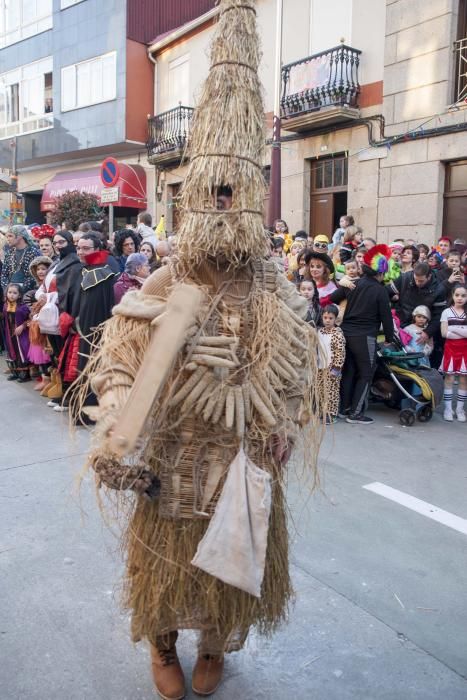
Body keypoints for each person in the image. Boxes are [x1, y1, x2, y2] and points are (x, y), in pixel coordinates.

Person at [74, 3, 322, 697]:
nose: (219, 205)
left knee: (230, 573)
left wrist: (285, 425)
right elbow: (120, 355)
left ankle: (215, 642)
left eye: (232, 194)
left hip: (240, 460)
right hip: (170, 455)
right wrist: (120, 423)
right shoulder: (166, 277)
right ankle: (160, 645)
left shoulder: (274, 289)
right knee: (162, 569)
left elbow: (300, 374)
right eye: (209, 193)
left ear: (252, 196)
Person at [330, 245, 395, 424]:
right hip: (364, 336)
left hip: (345, 334)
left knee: (349, 371)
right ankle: (356, 414)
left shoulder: (353, 283)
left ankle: (343, 409)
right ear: (380, 273)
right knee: (366, 374)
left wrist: (343, 283)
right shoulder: (380, 290)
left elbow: (333, 298)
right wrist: (389, 338)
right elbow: (386, 318)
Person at [388, 261, 446, 343]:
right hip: (400, 322)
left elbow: (439, 315)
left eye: (421, 281)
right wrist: (392, 298)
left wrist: (428, 332)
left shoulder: (439, 289)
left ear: (429, 277)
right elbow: (386, 292)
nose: (417, 283)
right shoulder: (405, 278)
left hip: (421, 329)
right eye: (415, 279)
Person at [440, 284, 467, 422]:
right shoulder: (446, 312)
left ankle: (460, 409)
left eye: (463, 295)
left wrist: (454, 329)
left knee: (464, 380)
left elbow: (450, 331)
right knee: (449, 378)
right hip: (450, 349)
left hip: (465, 351)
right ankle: (448, 409)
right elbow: (444, 333)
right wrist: (463, 331)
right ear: (452, 296)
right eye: (457, 295)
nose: (460, 298)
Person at [317, 304, 346, 423]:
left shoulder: (337, 334)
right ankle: (322, 412)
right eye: (325, 318)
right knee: (320, 391)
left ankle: (331, 414)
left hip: (331, 369)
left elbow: (340, 352)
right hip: (320, 367)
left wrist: (336, 368)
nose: (327, 320)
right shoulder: (320, 332)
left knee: (331, 392)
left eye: (330, 318)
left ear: (335, 319)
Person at [3, 283, 31, 382]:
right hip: (9, 333)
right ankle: (16, 372)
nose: (11, 295)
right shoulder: (6, 305)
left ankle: (25, 373)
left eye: (15, 293)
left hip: (21, 334)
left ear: (19, 295)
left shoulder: (23, 307)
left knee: (21, 351)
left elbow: (30, 319)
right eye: (9, 292)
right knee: (12, 350)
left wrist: (22, 326)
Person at [1, 225, 40, 293]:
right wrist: (7, 290)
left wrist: (19, 290)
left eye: (10, 236)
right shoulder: (10, 253)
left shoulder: (33, 252)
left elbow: (34, 276)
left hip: (27, 293)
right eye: (7, 236)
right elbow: (4, 274)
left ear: (19, 236)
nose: (8, 239)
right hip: (9, 293)